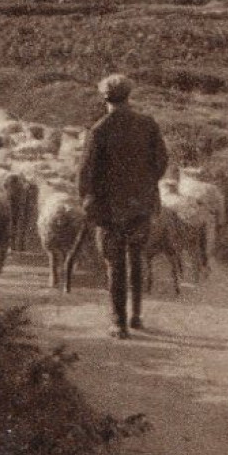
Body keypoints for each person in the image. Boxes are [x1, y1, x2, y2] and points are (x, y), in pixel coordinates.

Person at [77, 74, 169, 339]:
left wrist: (88, 200)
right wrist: (146, 185)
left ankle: (118, 322)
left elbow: (86, 172)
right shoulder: (147, 124)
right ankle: (137, 315)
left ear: (104, 98)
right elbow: (161, 161)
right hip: (141, 205)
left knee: (114, 263)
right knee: (137, 257)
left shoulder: (99, 130)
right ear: (129, 96)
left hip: (110, 209)